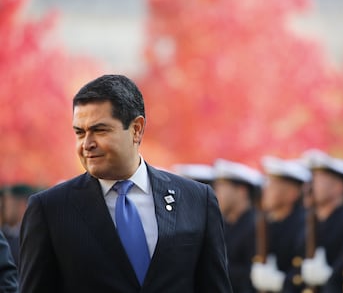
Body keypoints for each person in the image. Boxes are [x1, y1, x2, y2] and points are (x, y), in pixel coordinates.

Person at [19, 74, 233, 293]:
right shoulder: (51, 209)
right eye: (80, 133)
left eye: (100, 130)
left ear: (136, 129)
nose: (87, 144)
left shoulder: (196, 200)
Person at [250, 155, 311, 293]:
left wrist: (281, 282)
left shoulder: (303, 225)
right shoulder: (267, 223)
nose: (266, 191)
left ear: (292, 194)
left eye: (273, 185)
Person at [300, 149, 343, 293]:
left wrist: (331, 277)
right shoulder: (310, 222)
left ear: (338, 187)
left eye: (317, 180)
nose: (310, 187)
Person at [212, 158, 262, 293]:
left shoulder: (257, 227)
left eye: (222, 188)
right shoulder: (224, 224)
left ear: (242, 191)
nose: (216, 194)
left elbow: (251, 275)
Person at [1, 184, 35, 265]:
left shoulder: (33, 236)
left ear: (22, 205)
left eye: (8, 202)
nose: (4, 206)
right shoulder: (5, 233)